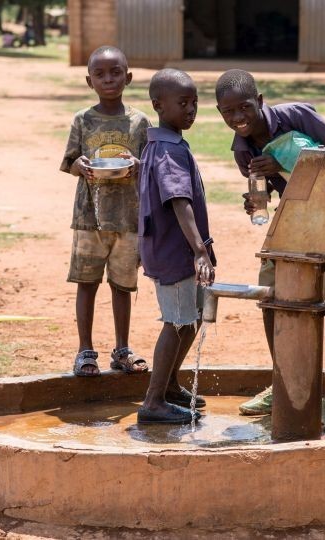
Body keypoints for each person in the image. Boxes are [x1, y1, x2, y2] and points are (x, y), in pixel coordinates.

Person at [214, 68, 325, 432]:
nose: (238, 118)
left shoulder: (296, 116)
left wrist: (285, 165)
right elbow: (272, 193)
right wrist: (256, 200)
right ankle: (281, 382)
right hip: (294, 217)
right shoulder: (243, 149)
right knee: (270, 292)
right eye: (228, 113)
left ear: (260, 101)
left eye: (244, 108)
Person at [60, 46, 150, 378]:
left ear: (127, 77)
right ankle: (85, 351)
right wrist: (80, 165)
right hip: (89, 218)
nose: (108, 79)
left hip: (128, 218)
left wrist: (139, 165)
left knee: (123, 286)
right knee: (86, 283)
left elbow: (150, 166)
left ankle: (122, 350)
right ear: (89, 81)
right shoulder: (82, 120)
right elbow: (70, 161)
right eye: (100, 74)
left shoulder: (140, 121)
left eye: (115, 73)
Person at [136, 68, 215, 425]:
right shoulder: (168, 149)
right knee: (177, 322)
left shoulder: (161, 143)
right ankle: (153, 400)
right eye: (182, 103)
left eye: (195, 102)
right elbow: (179, 200)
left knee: (191, 318)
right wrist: (200, 251)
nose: (191, 110)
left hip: (169, 249)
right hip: (175, 252)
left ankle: (169, 386)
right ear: (158, 105)